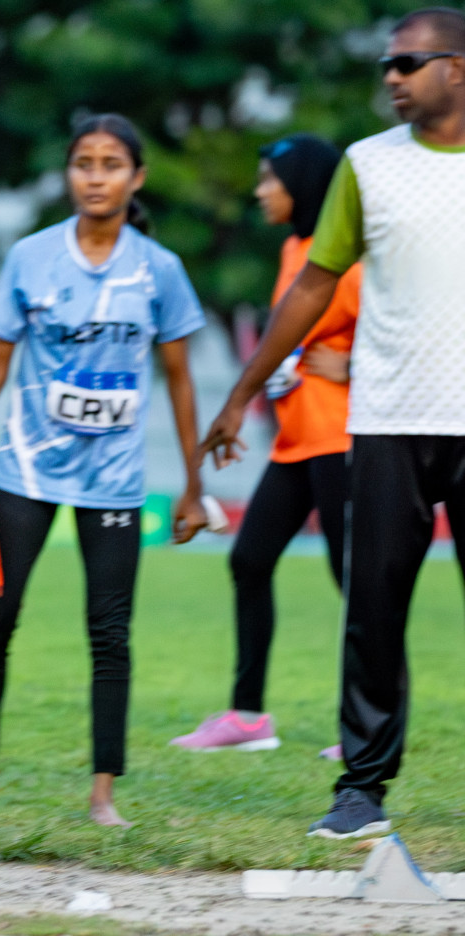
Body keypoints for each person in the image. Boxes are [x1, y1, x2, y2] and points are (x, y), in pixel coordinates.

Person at [203, 7, 465, 839]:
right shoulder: (367, 165)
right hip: (388, 423)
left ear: (456, 68)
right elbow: (312, 288)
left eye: (408, 62)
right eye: (386, 62)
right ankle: (361, 790)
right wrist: (244, 388)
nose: (390, 75)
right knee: (373, 611)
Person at [0, 113, 210, 828]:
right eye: (83, 162)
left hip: (113, 481)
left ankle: (103, 794)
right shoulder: (30, 258)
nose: (95, 176)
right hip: (25, 472)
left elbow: (180, 380)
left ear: (135, 177)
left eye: (112, 164)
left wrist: (194, 486)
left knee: (109, 633)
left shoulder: (159, 270)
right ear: (68, 173)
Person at [171, 135, 357, 756]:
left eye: (269, 179)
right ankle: (248, 718)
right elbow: (288, 337)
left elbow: (396, 334)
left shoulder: (353, 259)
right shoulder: (294, 250)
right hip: (295, 442)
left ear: (301, 184)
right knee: (249, 561)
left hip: (341, 439)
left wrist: (351, 362)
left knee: (356, 582)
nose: (260, 190)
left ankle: (375, 720)